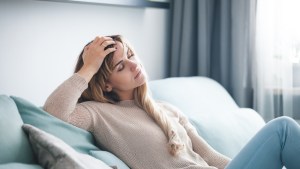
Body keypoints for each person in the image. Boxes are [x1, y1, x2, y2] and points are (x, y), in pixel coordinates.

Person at [44, 35, 300, 169]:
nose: (134, 65)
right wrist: (88, 69)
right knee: (284, 129)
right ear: (107, 83)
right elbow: (53, 116)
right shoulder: (97, 114)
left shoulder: (167, 109)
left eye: (132, 55)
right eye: (121, 65)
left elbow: (209, 156)